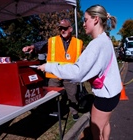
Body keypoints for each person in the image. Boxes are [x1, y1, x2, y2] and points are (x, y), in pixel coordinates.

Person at [38, 5, 122, 140]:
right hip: (113, 93)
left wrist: (49, 66)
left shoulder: (96, 44)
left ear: (95, 19)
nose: (83, 24)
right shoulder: (105, 40)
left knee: (96, 132)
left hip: (105, 96)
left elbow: (77, 72)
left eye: (85, 19)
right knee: (105, 123)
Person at [22, 19, 83, 121]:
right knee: (51, 95)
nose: (62, 31)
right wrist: (31, 47)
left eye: (64, 28)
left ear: (70, 29)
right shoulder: (52, 41)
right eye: (60, 29)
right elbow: (40, 45)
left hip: (69, 75)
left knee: (72, 95)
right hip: (54, 74)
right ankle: (50, 111)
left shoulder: (78, 43)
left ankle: (74, 112)